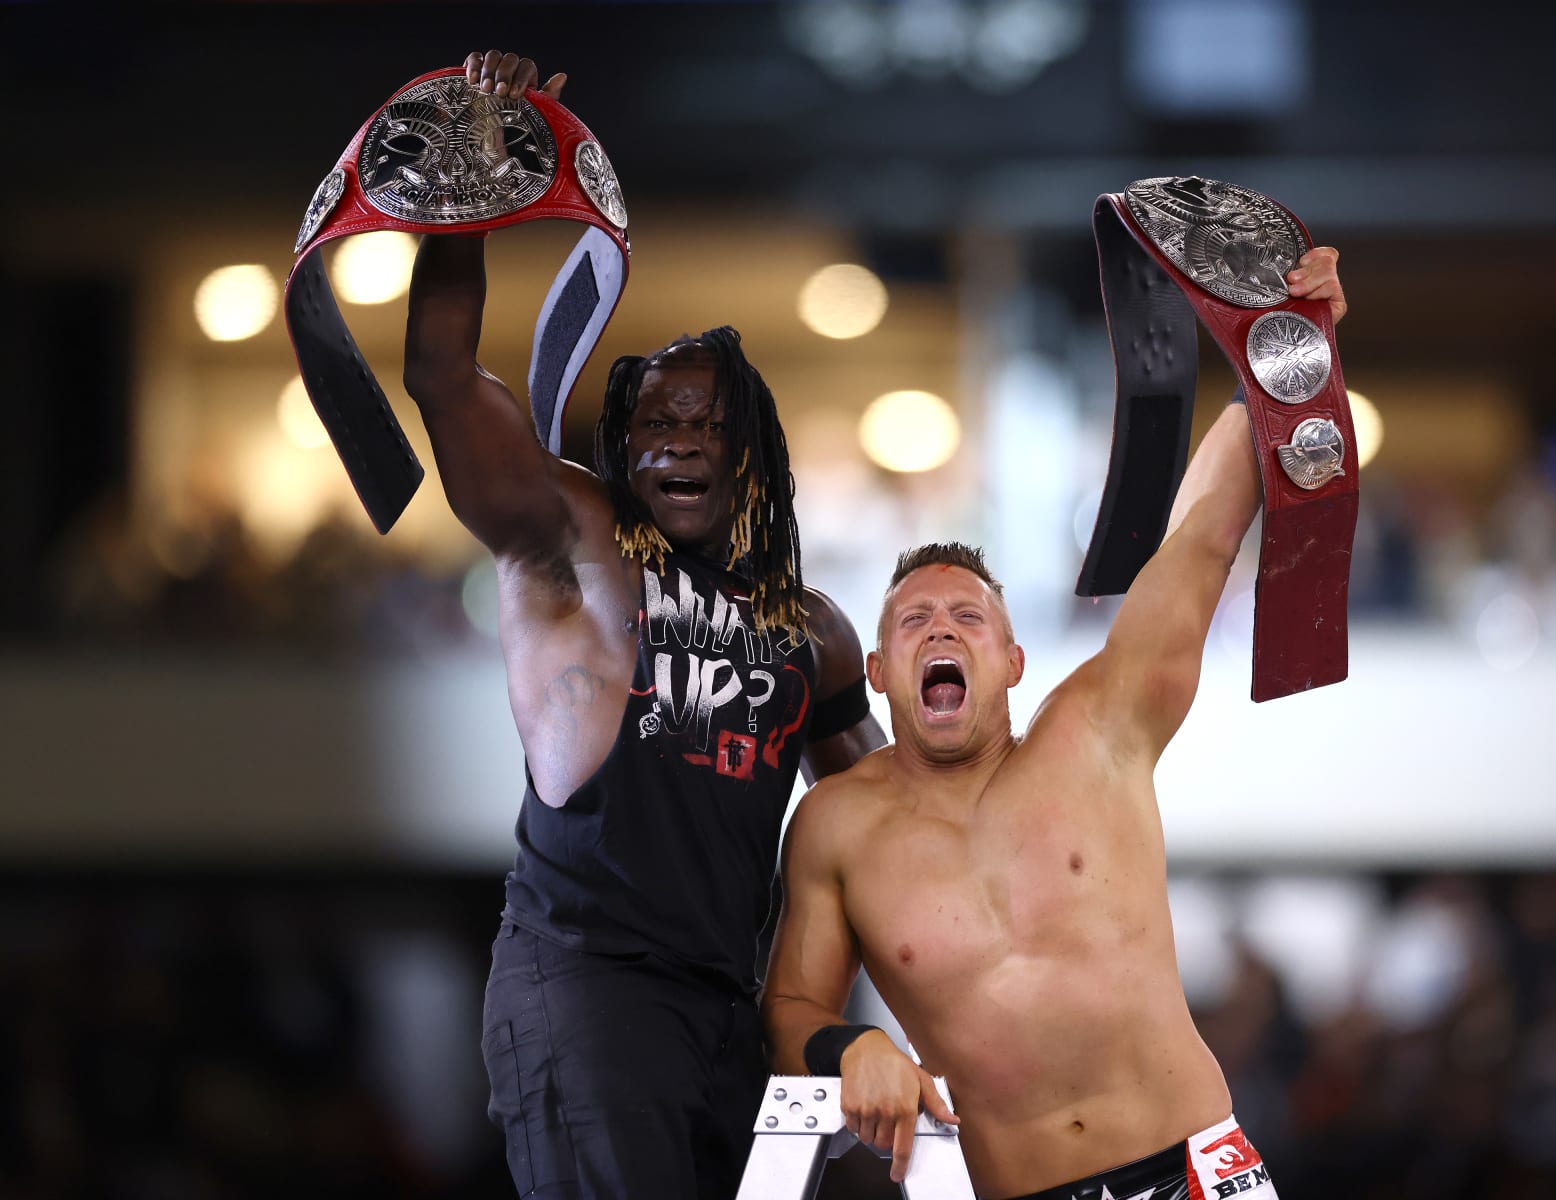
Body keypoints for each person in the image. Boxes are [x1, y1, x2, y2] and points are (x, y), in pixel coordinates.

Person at [403, 48, 886, 1200]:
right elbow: (439, 372)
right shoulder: (576, 533)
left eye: (703, 423)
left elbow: (883, 827)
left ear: (749, 456)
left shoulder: (811, 631)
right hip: (589, 979)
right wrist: (468, 181)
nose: (675, 439)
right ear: (621, 451)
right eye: (654, 423)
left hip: (736, 1003)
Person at [763, 249, 1347, 1197]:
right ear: (880, 673)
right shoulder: (836, 827)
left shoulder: (1095, 732)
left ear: (1011, 663)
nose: (941, 630)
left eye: (968, 621)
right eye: (915, 622)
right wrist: (849, 1045)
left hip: (1202, 1166)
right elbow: (789, 1005)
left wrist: (1290, 348)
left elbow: (1200, 538)